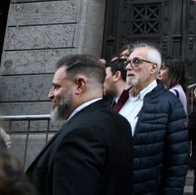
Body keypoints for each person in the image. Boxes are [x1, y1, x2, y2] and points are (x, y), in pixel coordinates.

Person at [26, 54, 133, 194]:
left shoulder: (80, 133)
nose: (50, 94)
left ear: (80, 85)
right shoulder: (120, 121)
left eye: (56, 86)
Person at [119, 43, 189, 195]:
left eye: (136, 62)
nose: (128, 67)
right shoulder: (120, 101)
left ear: (153, 68)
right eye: (127, 62)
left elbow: (177, 162)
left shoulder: (170, 103)